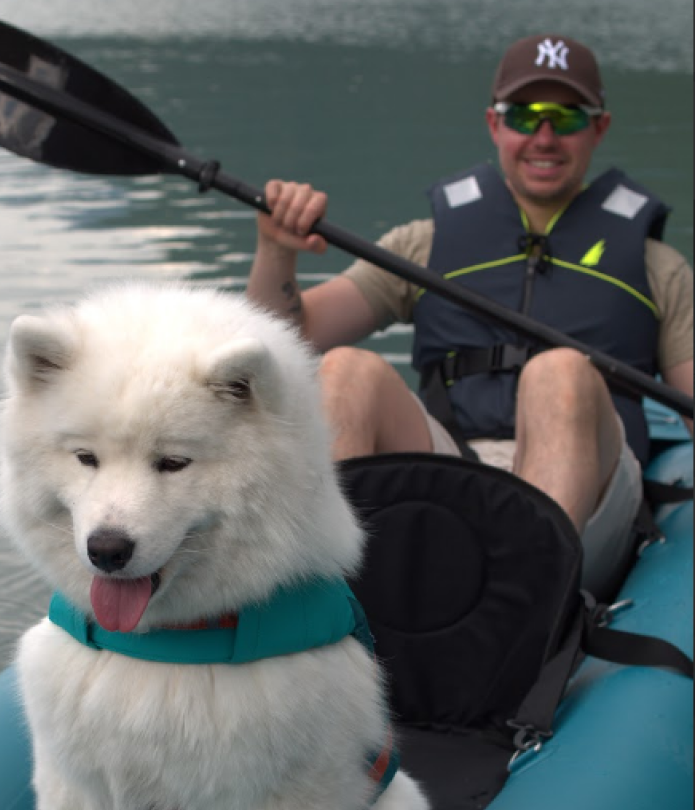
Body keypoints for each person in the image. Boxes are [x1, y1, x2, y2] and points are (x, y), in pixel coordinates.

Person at [246, 33, 693, 598]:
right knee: (346, 370)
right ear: (494, 124)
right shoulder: (424, 245)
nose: (545, 137)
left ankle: (521, 604)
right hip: (455, 472)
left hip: (594, 496)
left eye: (567, 117)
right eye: (525, 116)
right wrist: (276, 248)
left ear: (598, 127)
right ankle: (324, 600)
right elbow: (287, 339)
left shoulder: (659, 268)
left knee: (560, 374)